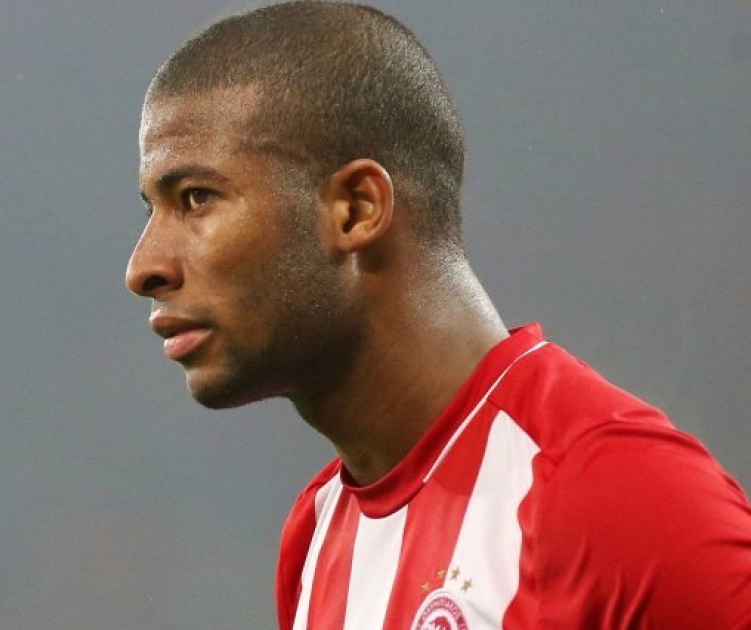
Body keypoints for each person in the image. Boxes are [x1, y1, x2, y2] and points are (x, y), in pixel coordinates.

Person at [124, 2, 751, 629]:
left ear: (356, 209)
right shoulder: (316, 534)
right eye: (152, 210)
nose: (143, 267)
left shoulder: (613, 495)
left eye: (196, 198)